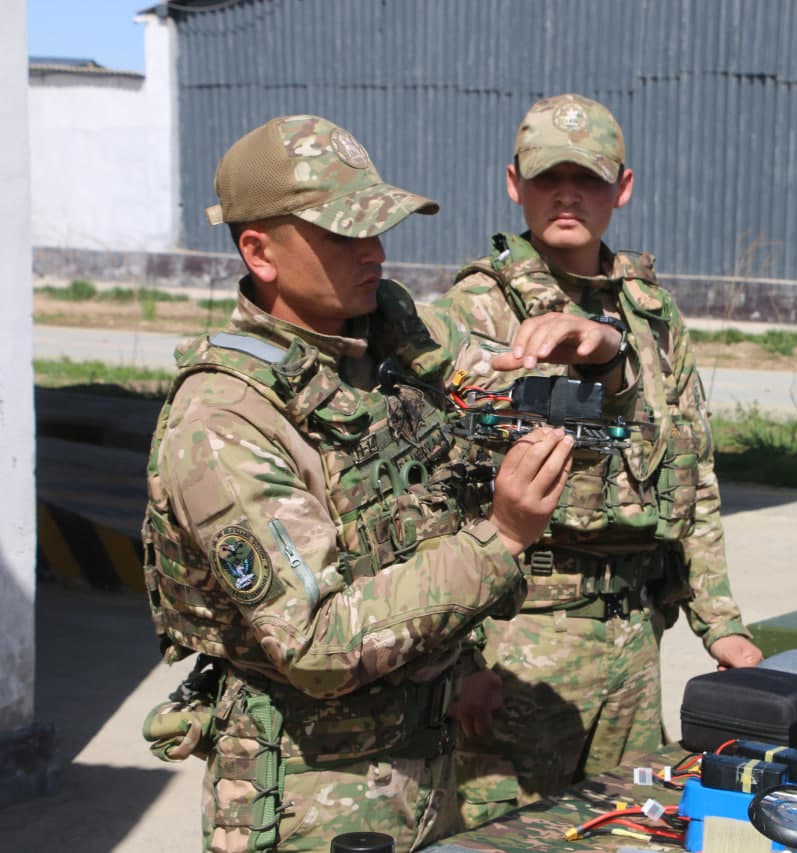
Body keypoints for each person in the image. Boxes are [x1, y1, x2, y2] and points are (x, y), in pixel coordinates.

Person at [140, 114, 626, 852]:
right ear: (258, 252)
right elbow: (316, 643)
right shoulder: (222, 420)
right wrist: (499, 539)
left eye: (377, 228)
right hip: (313, 799)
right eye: (343, 235)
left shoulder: (389, 340)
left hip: (429, 775)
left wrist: (602, 359)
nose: (375, 252)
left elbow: (571, 425)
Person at [437, 93, 764, 827]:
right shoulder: (478, 308)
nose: (567, 195)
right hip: (521, 643)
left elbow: (693, 475)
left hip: (633, 636)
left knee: (632, 826)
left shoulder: (650, 314)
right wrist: (460, 660)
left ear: (622, 187)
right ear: (514, 184)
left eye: (587, 178)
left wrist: (721, 623)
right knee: (510, 836)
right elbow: (439, 492)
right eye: (549, 176)